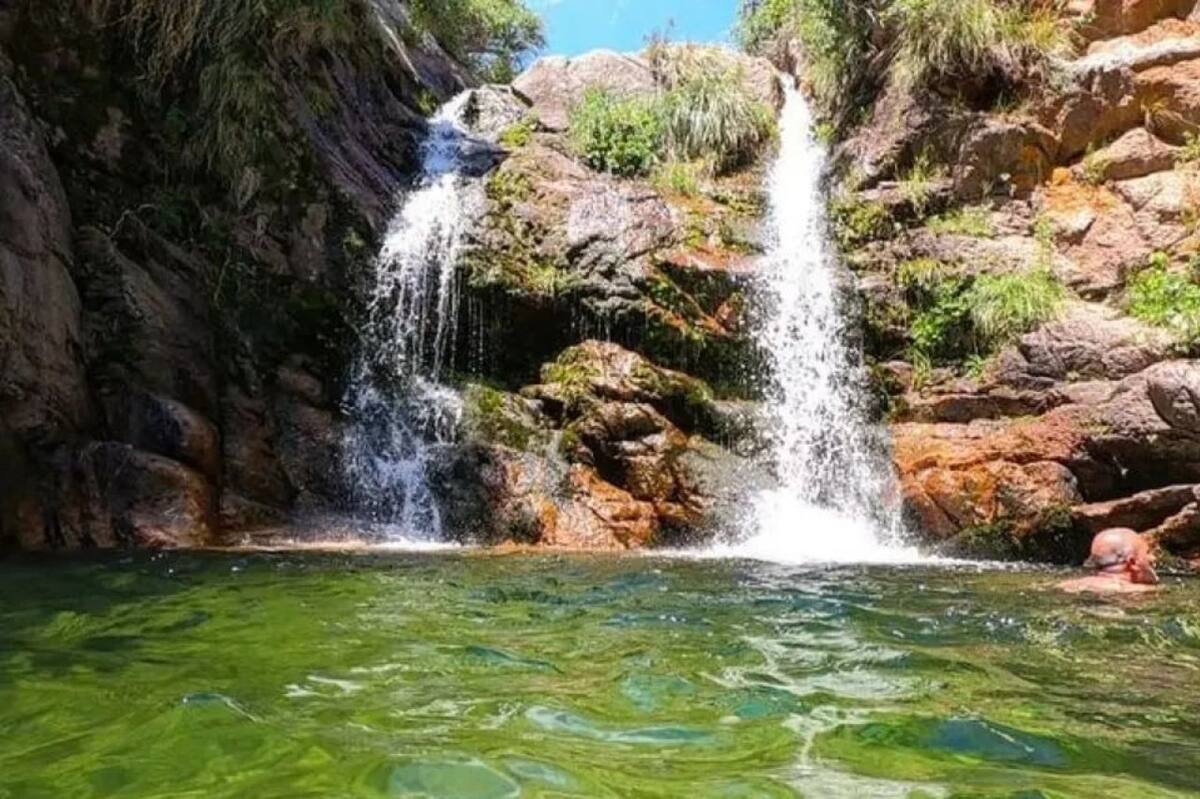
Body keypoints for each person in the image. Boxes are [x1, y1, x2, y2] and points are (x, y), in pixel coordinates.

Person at [1058, 528, 1160, 594]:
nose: (1153, 558)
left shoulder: (1067, 585)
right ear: (1133, 563)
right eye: (1147, 552)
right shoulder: (1143, 593)